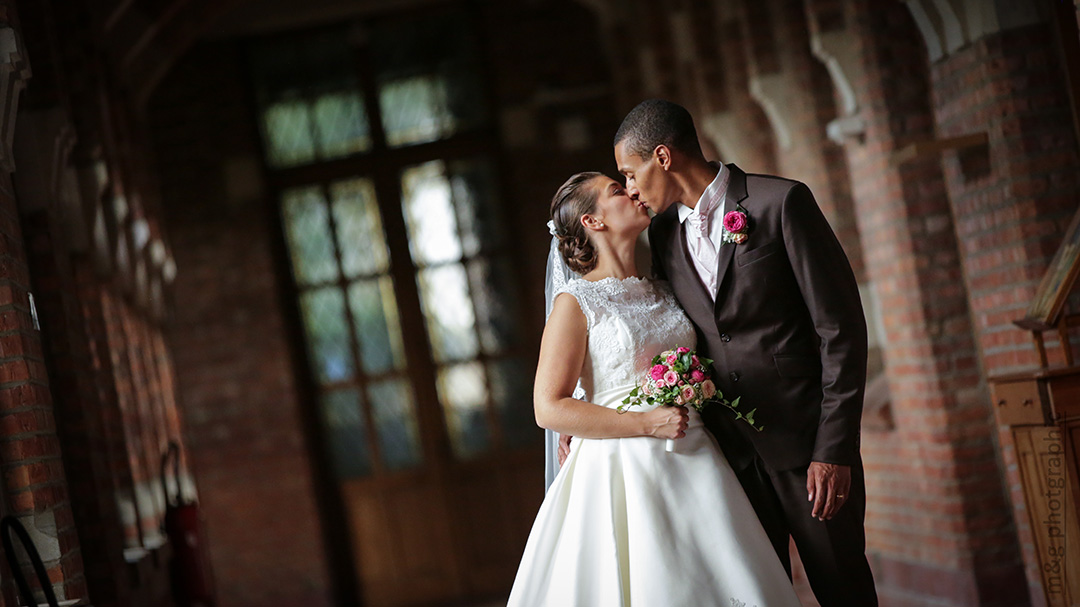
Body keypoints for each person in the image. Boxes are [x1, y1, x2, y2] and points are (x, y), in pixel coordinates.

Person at [608, 98, 878, 606]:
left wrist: (834, 449)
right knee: (759, 595)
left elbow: (840, 330)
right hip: (731, 459)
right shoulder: (664, 234)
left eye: (630, 172)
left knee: (843, 589)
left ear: (662, 157)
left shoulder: (781, 203)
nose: (630, 189)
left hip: (807, 447)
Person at [507, 171, 801, 606]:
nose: (631, 192)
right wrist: (644, 422)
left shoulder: (663, 287)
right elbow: (547, 408)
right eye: (615, 191)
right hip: (624, 469)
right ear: (593, 222)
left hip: (696, 454)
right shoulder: (575, 304)